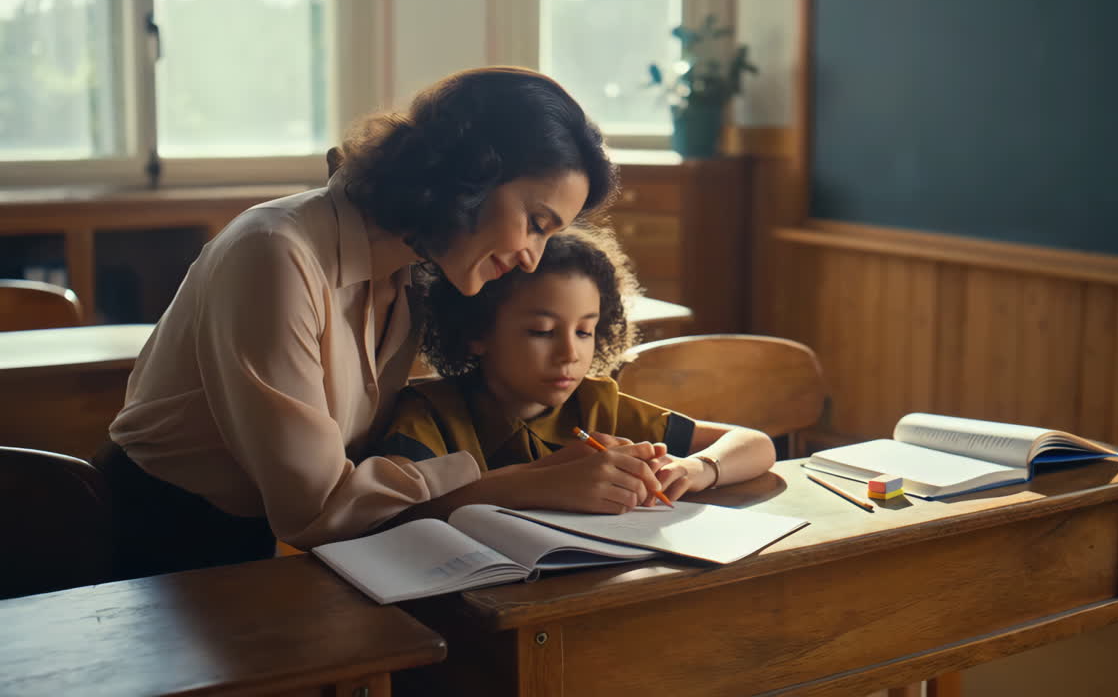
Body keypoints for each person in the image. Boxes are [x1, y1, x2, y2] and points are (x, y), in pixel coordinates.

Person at [99, 67, 669, 580]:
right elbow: (315, 509)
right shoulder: (276, 252)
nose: (531, 258)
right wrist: (527, 481)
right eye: (535, 222)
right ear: (470, 174)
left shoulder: (415, 271)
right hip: (152, 545)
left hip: (266, 542)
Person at [375, 225, 776, 519]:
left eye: (585, 331)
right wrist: (540, 481)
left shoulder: (596, 403)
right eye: (542, 332)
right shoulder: (428, 413)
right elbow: (392, 514)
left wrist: (695, 468)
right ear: (477, 331)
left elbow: (755, 444)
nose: (570, 353)